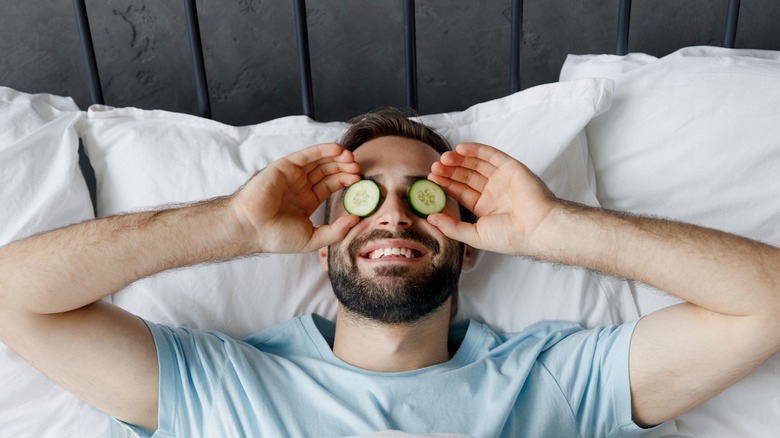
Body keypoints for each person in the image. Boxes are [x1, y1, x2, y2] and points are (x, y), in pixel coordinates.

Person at [0, 108, 778, 437]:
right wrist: (231, 225)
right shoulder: (219, 382)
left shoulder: (557, 378)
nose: (394, 216)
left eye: (424, 199)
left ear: (469, 244)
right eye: (363, 198)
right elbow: (16, 298)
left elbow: (766, 304)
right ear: (323, 237)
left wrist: (553, 228)